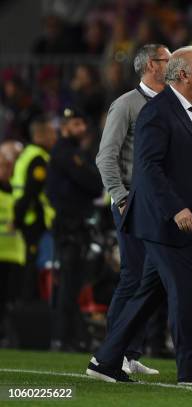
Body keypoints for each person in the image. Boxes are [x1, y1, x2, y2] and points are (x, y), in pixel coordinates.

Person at [86, 46, 192, 385]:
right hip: (163, 220)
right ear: (182, 75)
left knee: (150, 292)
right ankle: (190, 368)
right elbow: (148, 168)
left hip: (175, 220)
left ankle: (106, 359)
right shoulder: (157, 112)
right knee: (184, 288)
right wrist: (175, 207)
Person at [96, 43, 170, 375]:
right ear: (151, 65)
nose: (172, 65)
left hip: (159, 205)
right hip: (132, 204)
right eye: (167, 60)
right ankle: (114, 353)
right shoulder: (125, 104)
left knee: (149, 280)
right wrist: (121, 197)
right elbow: (105, 156)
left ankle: (129, 351)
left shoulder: (169, 104)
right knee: (133, 277)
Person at [46, 107, 104, 351]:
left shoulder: (72, 152)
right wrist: (92, 179)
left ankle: (69, 336)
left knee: (72, 284)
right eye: (76, 124)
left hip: (74, 225)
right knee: (69, 284)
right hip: (69, 226)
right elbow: (92, 183)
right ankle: (63, 337)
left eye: (82, 124)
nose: (80, 129)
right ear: (66, 126)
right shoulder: (66, 153)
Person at [10, 115, 57, 302]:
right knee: (31, 266)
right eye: (51, 134)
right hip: (31, 220)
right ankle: (28, 306)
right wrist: (18, 219)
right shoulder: (38, 159)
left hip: (25, 218)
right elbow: (31, 192)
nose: (55, 138)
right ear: (40, 136)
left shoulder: (27, 154)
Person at [0, 145, 25, 345]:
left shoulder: (16, 189)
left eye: (9, 166)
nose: (7, 169)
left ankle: (7, 337)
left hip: (15, 254)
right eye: (3, 166)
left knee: (10, 301)